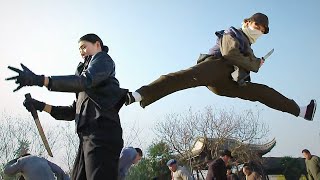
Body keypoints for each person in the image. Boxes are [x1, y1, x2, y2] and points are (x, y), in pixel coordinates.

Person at [125, 12, 316, 121]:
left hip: (227, 83)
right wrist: (255, 64)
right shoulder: (232, 32)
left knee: (262, 92)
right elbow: (229, 54)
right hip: (215, 67)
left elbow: (246, 64)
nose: (258, 31)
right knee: (181, 78)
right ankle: (138, 95)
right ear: (247, 22)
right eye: (256, 26)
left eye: (262, 31)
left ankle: (300, 110)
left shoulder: (249, 48)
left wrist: (255, 63)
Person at [6, 33, 128, 179]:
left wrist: (42, 80)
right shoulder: (85, 83)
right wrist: (41, 105)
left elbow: (84, 80)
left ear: (97, 45)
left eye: (84, 47)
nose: (82, 52)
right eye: (79, 50)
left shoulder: (102, 60)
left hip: (102, 133)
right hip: (86, 138)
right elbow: (72, 111)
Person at [4, 146, 69, 180]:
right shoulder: (42, 160)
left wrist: (16, 159)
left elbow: (7, 171)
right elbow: (60, 171)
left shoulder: (22, 161)